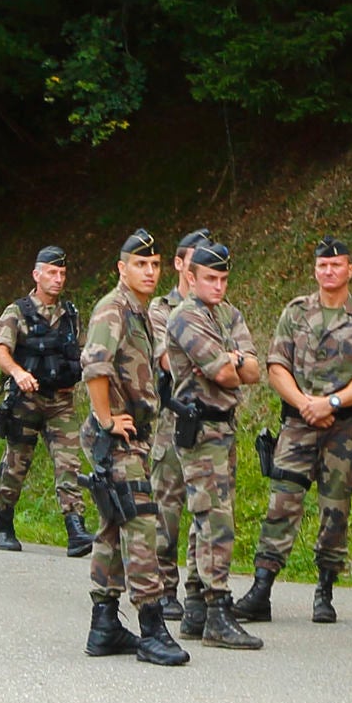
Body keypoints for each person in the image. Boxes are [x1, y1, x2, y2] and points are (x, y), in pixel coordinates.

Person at [240, 237, 352, 625]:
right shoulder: (295, 313)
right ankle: (261, 587)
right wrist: (306, 404)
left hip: (344, 429)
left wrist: (331, 403)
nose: (329, 272)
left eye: (336, 265)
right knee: (281, 503)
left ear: (350, 269)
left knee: (335, 509)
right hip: (297, 425)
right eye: (323, 266)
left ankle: (325, 590)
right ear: (315, 270)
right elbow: (276, 366)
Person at [78, 229, 187, 666]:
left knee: (113, 523)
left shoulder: (139, 311)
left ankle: (103, 624)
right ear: (121, 268)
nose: (149, 271)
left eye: (155, 264)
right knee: (142, 523)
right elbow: (94, 365)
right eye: (140, 264)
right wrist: (106, 419)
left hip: (134, 435)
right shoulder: (113, 308)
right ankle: (151, 624)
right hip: (117, 437)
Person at [159, 234, 264, 648]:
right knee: (214, 518)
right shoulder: (185, 316)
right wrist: (231, 360)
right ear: (190, 275)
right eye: (209, 278)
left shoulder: (228, 314)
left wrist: (232, 360)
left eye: (222, 279)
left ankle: (197, 602)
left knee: (210, 515)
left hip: (223, 425)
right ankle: (217, 607)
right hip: (198, 426)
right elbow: (223, 372)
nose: (217, 287)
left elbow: (253, 370)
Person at [0, 246, 92, 555]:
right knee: (16, 465)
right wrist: (18, 373)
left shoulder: (70, 315)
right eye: (52, 272)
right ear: (37, 275)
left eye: (62, 273)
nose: (58, 279)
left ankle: (76, 529)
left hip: (61, 401)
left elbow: (82, 351)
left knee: (69, 464)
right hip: (26, 401)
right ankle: (4, 523)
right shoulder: (17, 312)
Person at [139, 227, 215, 625]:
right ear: (180, 264)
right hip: (173, 419)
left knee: (206, 505)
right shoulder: (160, 309)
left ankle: (199, 587)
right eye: (195, 261)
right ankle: (164, 585)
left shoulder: (215, 307)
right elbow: (168, 360)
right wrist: (215, 360)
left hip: (209, 417)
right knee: (166, 505)